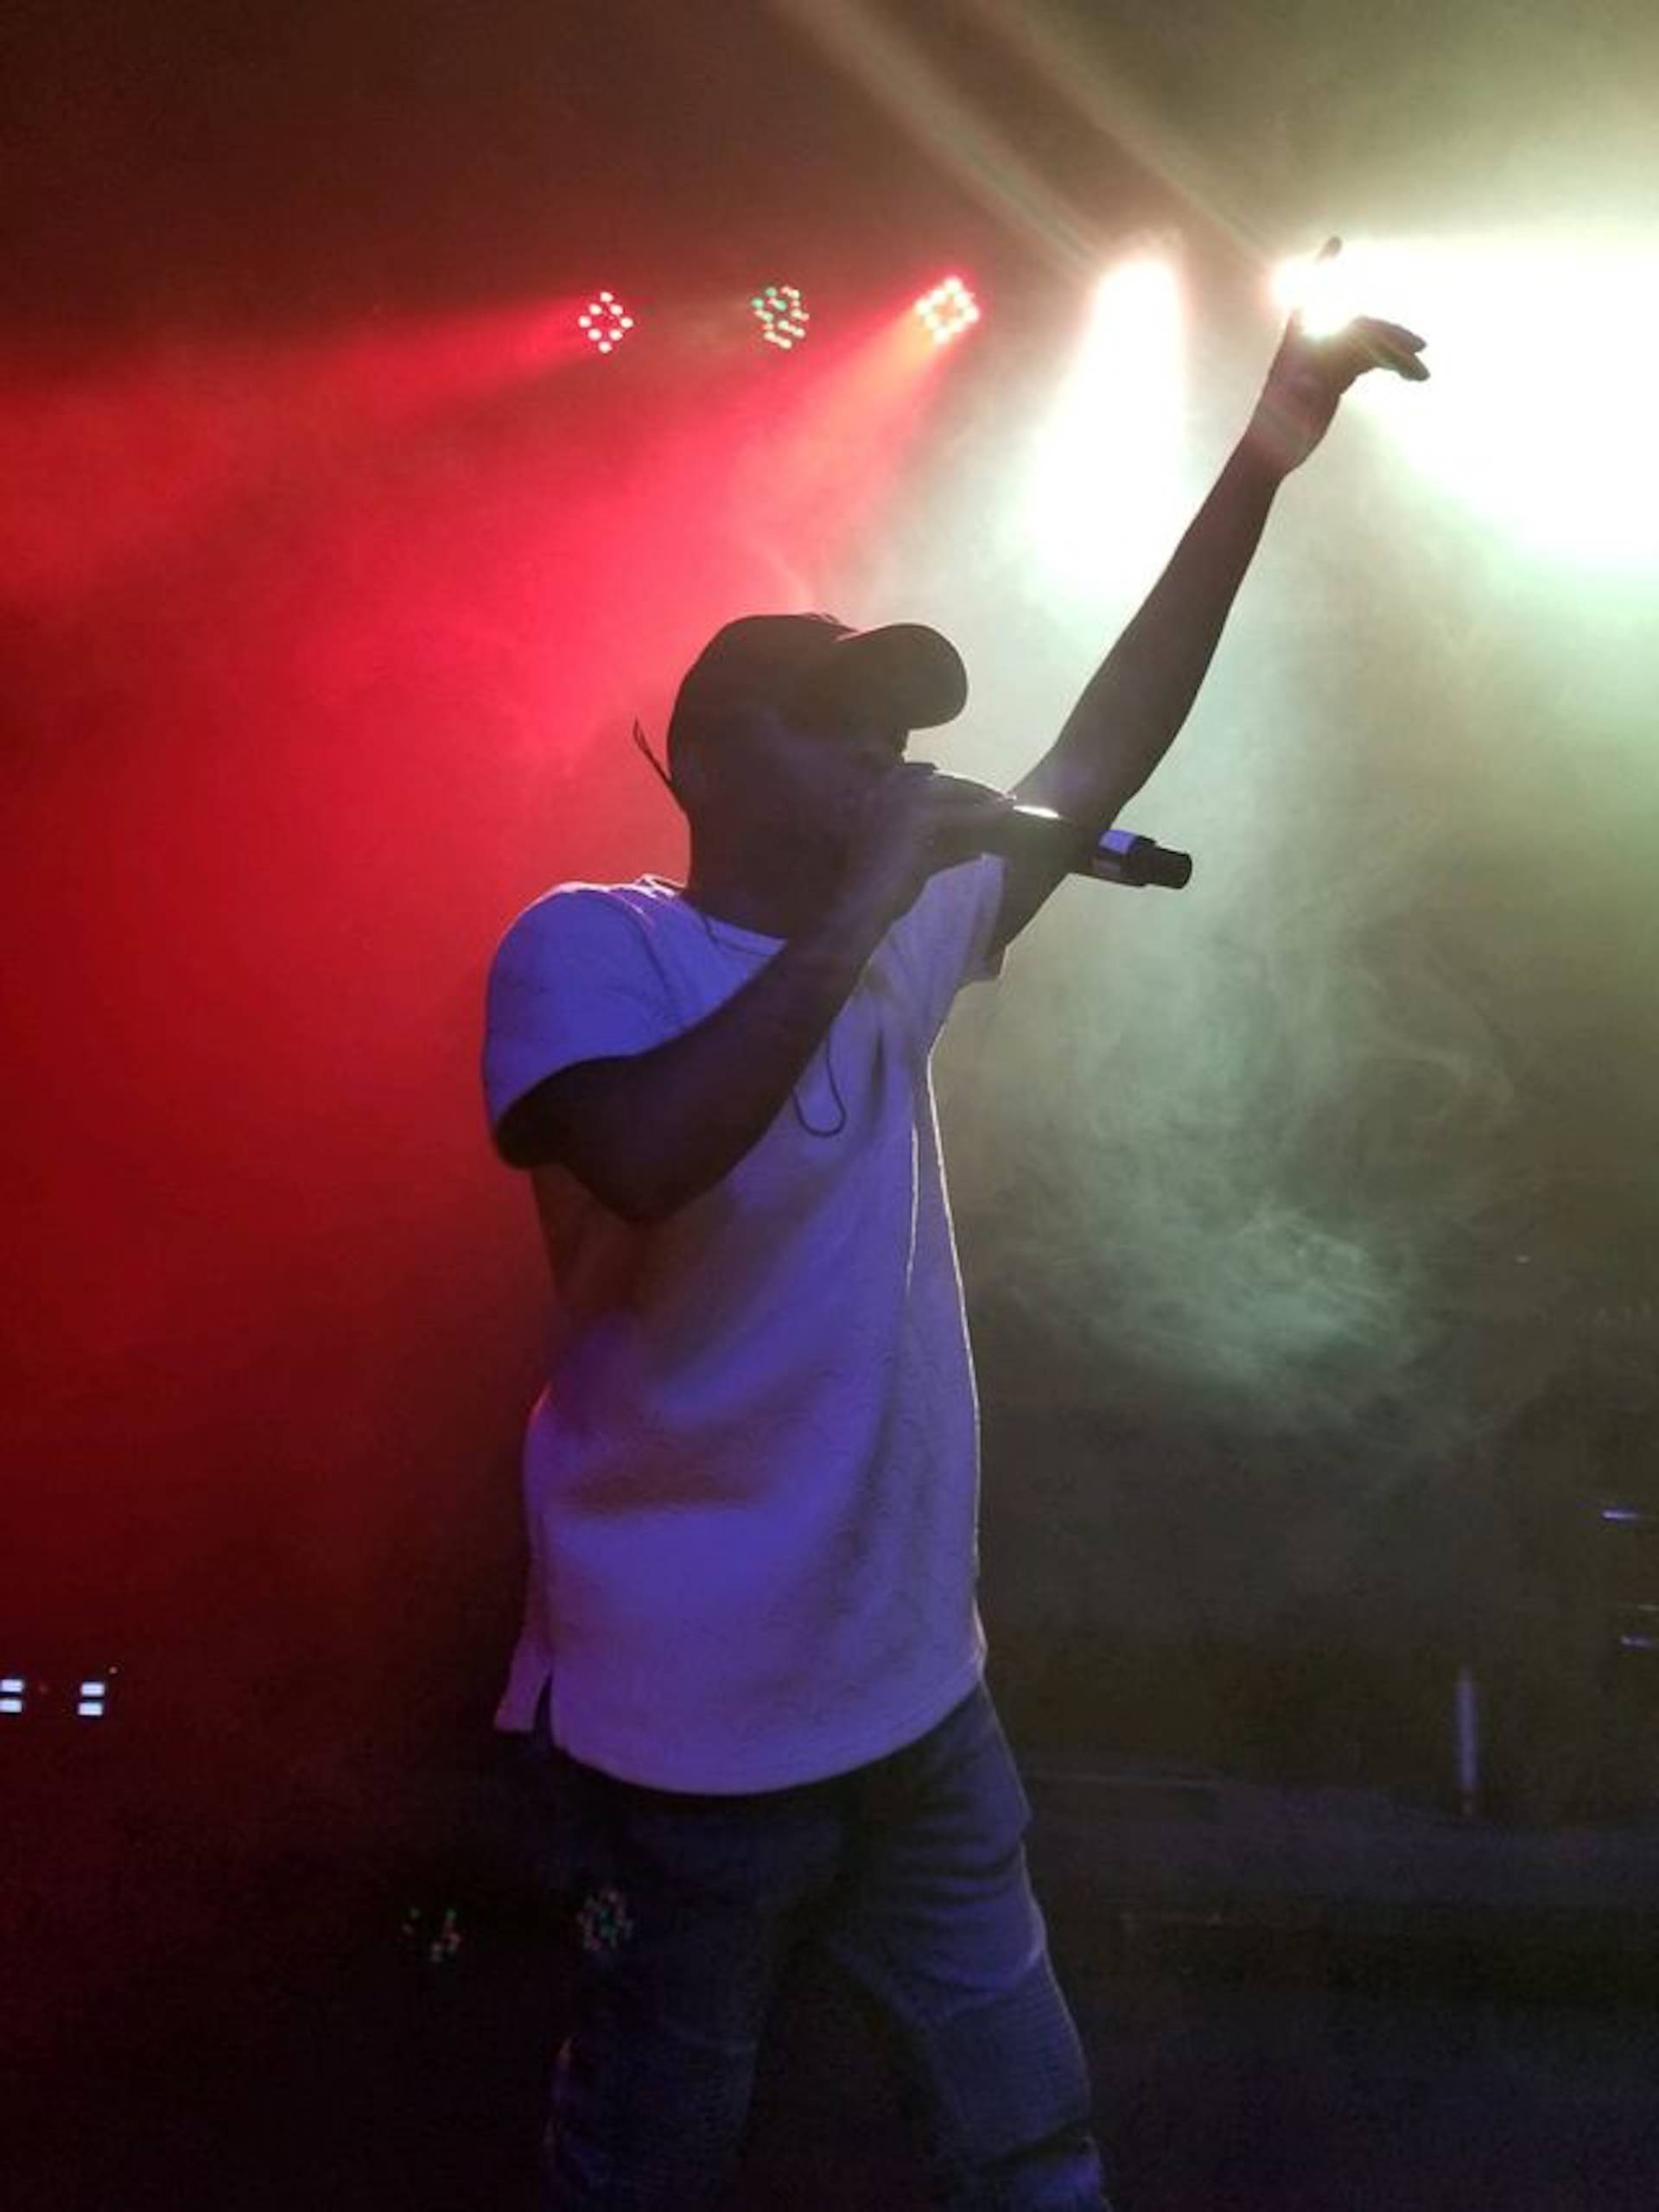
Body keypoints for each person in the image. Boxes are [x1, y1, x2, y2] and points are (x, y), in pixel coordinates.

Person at [483, 256, 1427, 2210]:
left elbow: (1101, 746)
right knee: (651, 2159)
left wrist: (1267, 451)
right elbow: (645, 1157)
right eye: (833, 723)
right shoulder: (592, 942)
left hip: (916, 1699)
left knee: (1031, 2141)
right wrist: (866, 905)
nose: (884, 757)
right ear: (705, 762)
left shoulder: (900, 938)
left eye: (894, 727)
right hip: (679, 1734)